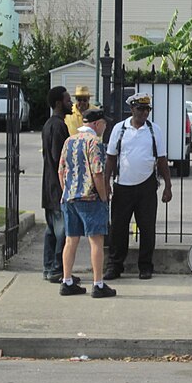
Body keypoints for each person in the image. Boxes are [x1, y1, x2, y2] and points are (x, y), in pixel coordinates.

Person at [104, 93, 173, 280]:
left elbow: (162, 159)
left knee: (147, 228)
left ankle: (145, 266)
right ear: (132, 109)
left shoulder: (154, 130)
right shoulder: (119, 129)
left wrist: (168, 185)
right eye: (140, 109)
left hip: (146, 187)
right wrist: (106, 183)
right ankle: (115, 266)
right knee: (118, 228)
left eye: (147, 109)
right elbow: (110, 158)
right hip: (122, 186)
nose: (144, 113)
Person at [57, 107, 116, 298]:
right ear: (97, 124)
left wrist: (67, 190)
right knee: (96, 240)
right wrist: (103, 196)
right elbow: (98, 173)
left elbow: (61, 171)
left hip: (69, 197)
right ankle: (98, 283)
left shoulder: (69, 140)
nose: (104, 129)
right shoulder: (95, 143)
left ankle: (67, 281)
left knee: (70, 240)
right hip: (90, 197)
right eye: (104, 125)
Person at [42, 85, 72, 283]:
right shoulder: (58, 126)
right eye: (68, 100)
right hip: (57, 187)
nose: (72, 104)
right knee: (62, 230)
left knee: (52, 229)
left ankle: (48, 267)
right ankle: (56, 268)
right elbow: (59, 158)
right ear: (59, 103)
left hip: (49, 187)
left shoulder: (49, 124)